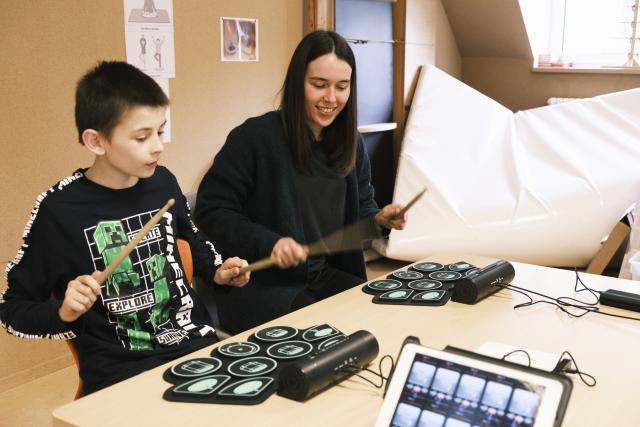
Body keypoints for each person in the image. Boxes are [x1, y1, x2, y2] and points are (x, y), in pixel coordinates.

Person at [0, 61, 250, 395]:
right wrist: (63, 310)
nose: (158, 146)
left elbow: (192, 239)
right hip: (122, 375)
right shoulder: (59, 210)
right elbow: (12, 310)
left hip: (194, 350)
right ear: (96, 141)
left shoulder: (162, 181)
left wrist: (218, 271)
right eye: (142, 137)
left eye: (160, 131)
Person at [195, 30, 406, 335]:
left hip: (326, 275)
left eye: (342, 87)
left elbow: (362, 214)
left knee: (382, 317)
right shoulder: (255, 138)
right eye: (319, 85)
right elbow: (211, 211)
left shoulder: (351, 144)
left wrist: (380, 220)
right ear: (298, 82)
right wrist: (271, 243)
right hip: (266, 290)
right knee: (331, 335)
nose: (331, 98)